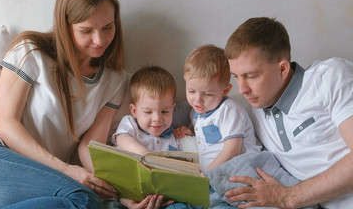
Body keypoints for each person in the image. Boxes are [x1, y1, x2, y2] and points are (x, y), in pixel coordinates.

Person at [0, 0, 160, 209]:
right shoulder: (30, 52)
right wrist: (65, 170)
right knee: (82, 199)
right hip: (1, 157)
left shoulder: (115, 81)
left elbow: (90, 148)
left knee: (88, 200)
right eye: (86, 31)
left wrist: (120, 195)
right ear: (66, 26)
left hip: (50, 180)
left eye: (107, 28)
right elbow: (6, 124)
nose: (99, 40)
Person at [224, 17, 353, 209]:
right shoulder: (251, 114)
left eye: (250, 76)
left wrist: (288, 197)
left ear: (282, 69)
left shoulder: (329, 77)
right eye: (236, 77)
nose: (242, 89)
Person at [174, 44, 262, 172]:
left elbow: (232, 151)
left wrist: (205, 176)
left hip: (239, 167)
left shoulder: (230, 111)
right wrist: (191, 134)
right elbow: (210, 142)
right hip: (212, 171)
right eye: (191, 91)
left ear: (225, 90)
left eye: (207, 94)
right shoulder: (196, 113)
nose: (197, 99)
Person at [112, 65, 180, 207]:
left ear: (173, 109)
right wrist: (147, 155)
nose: (157, 119)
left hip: (161, 195)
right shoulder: (131, 124)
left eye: (165, 111)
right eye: (148, 112)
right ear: (134, 111)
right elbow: (122, 139)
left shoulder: (172, 136)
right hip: (126, 192)